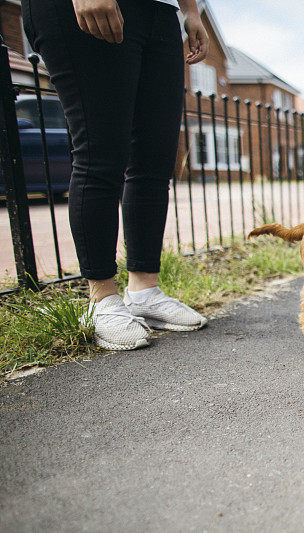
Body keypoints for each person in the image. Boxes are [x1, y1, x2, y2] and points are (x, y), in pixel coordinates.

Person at [22, 0, 210, 350]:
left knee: (154, 162)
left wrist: (191, 11)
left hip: (159, 12)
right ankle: (101, 300)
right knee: (100, 153)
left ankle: (145, 291)